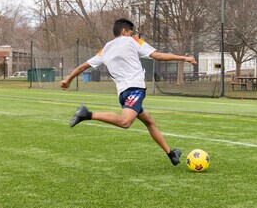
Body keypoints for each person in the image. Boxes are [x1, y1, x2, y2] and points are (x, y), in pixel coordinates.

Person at [60, 18, 198, 166]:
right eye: (131, 32)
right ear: (124, 31)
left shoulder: (105, 48)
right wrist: (184, 58)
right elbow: (157, 56)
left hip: (123, 94)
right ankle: (87, 114)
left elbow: (82, 67)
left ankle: (171, 154)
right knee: (125, 122)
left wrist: (68, 79)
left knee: (149, 121)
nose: (133, 34)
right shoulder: (133, 41)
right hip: (135, 89)